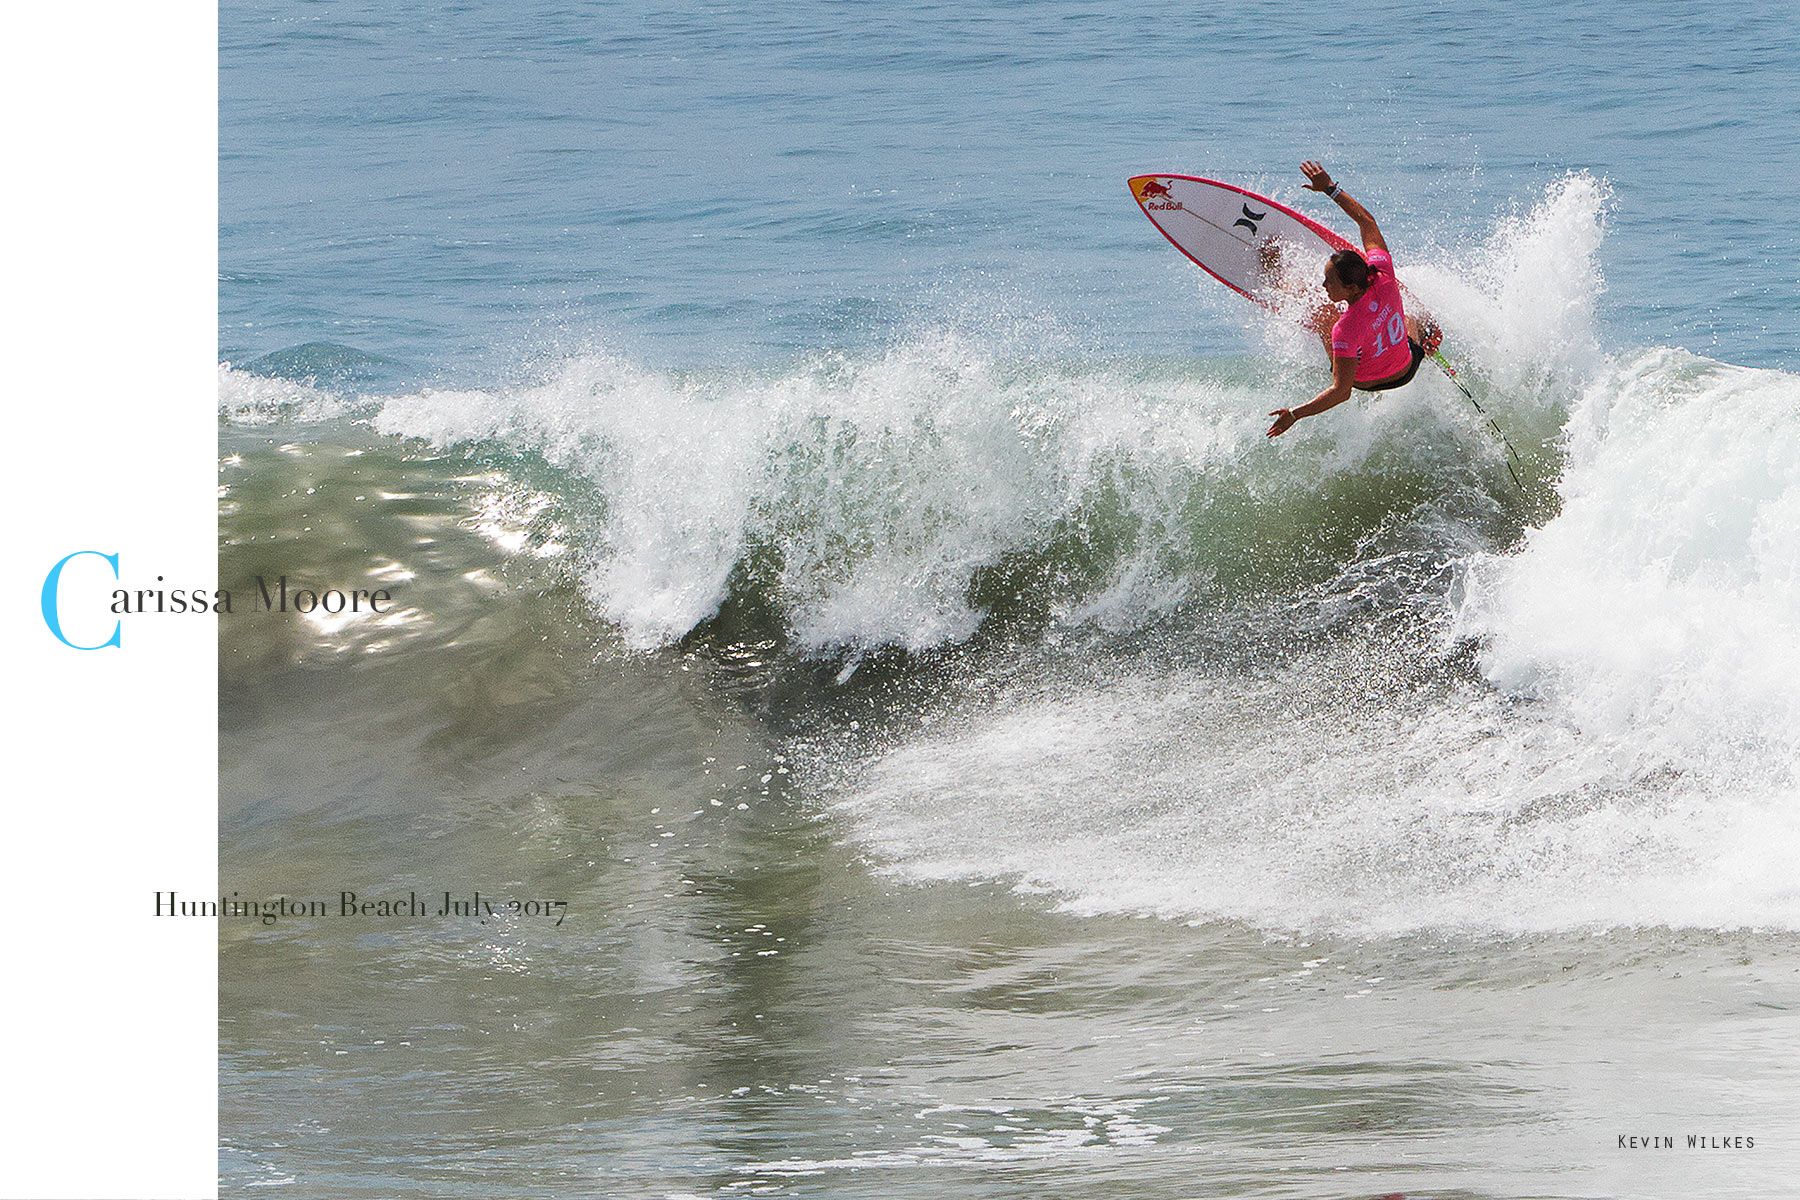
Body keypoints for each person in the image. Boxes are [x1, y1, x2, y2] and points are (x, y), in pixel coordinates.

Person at [1266, 161, 1440, 438]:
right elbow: (1366, 221)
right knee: (1410, 317)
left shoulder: (1344, 329)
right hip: (1408, 366)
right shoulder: (1383, 273)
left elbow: (1341, 392)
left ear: (1349, 288)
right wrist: (1330, 189)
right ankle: (1430, 338)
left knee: (1322, 317)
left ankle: (1275, 273)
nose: (1323, 285)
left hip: (1366, 382)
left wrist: (1295, 415)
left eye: (1329, 282)